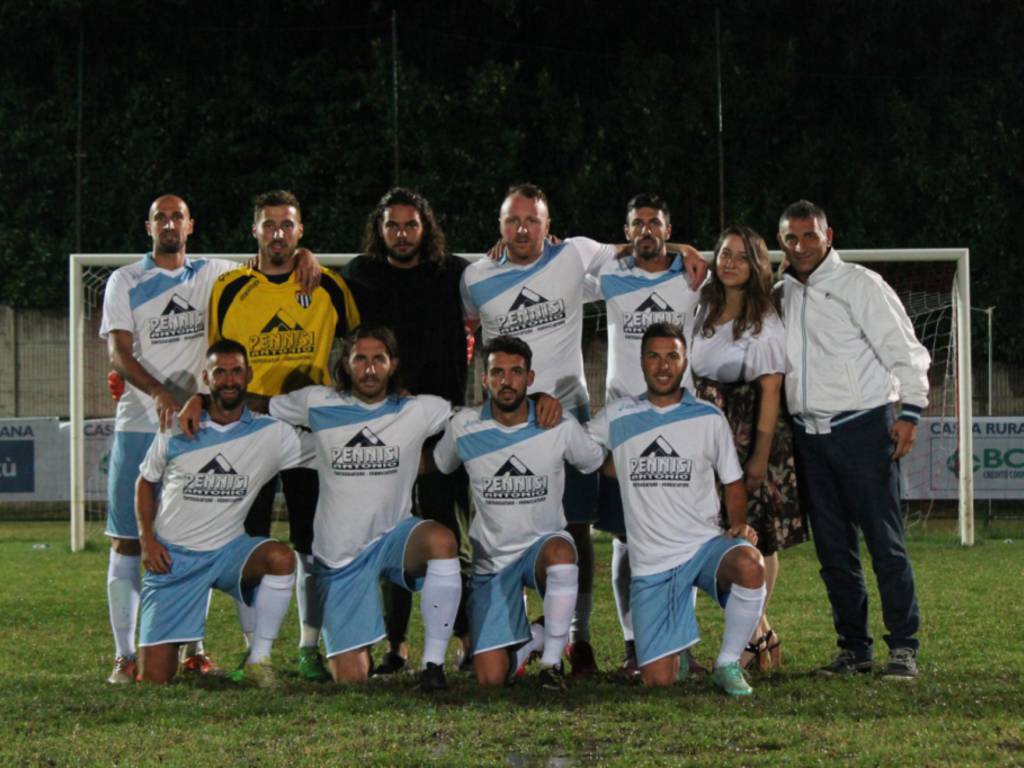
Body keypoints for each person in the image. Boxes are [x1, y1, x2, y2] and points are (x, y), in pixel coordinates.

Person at [461, 183, 706, 674]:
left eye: (533, 220)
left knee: (576, 529)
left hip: (566, 415)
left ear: (550, 226)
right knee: (495, 528)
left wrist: (683, 248)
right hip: (503, 423)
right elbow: (471, 336)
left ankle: (579, 637)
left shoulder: (575, 255)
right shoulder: (475, 277)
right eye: (513, 221)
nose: (523, 229)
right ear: (500, 227)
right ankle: (501, 636)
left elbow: (636, 245)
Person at [206, 190, 360, 681]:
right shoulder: (230, 288)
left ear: (300, 231)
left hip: (307, 437)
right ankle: (257, 653)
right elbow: (216, 361)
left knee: (311, 544)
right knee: (246, 543)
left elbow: (360, 346)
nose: (278, 233)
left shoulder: (328, 286)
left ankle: (307, 648)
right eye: (269, 225)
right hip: (247, 436)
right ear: (255, 231)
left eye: (286, 225)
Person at [256, 325, 461, 690]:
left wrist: (536, 401)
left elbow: (474, 418)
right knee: (351, 678)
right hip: (341, 558)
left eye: (378, 360)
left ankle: (433, 665)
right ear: (346, 365)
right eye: (360, 359)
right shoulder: (317, 403)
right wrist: (202, 401)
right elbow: (261, 405)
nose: (369, 369)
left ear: (392, 364)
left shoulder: (419, 409)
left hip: (395, 538)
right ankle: (357, 641)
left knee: (441, 541)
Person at [777, 200, 929, 679]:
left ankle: (903, 647)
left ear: (829, 235)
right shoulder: (780, 292)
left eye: (809, 236)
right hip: (808, 437)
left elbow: (904, 348)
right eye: (790, 238)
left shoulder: (859, 284)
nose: (800, 246)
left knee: (885, 544)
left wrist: (911, 410)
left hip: (863, 428)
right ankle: (854, 649)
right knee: (833, 551)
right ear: (780, 242)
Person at [99, 195, 240, 683]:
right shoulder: (125, 281)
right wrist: (159, 391)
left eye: (177, 215)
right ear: (148, 227)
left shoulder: (215, 273)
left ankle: (194, 650)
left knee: (189, 540)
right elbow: (119, 353)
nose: (169, 223)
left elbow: (268, 268)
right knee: (127, 542)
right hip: (139, 424)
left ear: (191, 225)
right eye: (160, 216)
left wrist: (304, 257)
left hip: (194, 430)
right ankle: (124, 655)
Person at [587, 323, 767, 695]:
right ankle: (678, 654)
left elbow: (733, 482)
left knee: (750, 564)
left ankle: (727, 663)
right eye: (654, 356)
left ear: (685, 363)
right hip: (652, 564)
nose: (663, 365)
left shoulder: (708, 418)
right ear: (641, 363)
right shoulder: (618, 416)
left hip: (703, 548)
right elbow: (576, 448)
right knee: (658, 680)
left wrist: (738, 525)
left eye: (672, 356)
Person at [343, 188, 474, 674]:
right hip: (384, 426)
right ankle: (396, 646)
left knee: (450, 536)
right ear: (380, 230)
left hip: (442, 425)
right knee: (388, 533)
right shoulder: (359, 275)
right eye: (392, 225)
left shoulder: (456, 273)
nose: (401, 234)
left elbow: (498, 283)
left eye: (410, 225)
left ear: (426, 228)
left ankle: (466, 638)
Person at [431, 335, 606, 690]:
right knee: (490, 678)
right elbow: (440, 464)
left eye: (515, 372)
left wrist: (566, 413)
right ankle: (536, 637)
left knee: (562, 549)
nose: (506, 380)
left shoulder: (556, 423)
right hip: (491, 563)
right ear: (485, 379)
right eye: (497, 372)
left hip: (541, 549)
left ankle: (552, 666)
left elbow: (591, 460)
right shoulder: (464, 426)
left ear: (530, 378)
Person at [135, 340, 302, 686]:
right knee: (154, 679)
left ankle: (260, 660)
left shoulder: (273, 434)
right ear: (206, 378)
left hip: (228, 552)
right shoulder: (177, 428)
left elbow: (320, 446)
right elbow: (144, 482)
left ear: (248, 375)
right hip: (174, 559)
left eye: (236, 371)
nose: (229, 380)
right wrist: (147, 539)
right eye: (220, 372)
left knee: (281, 558)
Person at [586, 193, 703, 676]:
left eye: (655, 223)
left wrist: (691, 250)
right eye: (637, 224)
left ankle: (680, 646)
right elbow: (561, 267)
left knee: (682, 539)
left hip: (681, 422)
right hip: (623, 425)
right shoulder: (609, 277)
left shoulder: (694, 276)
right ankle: (635, 647)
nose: (646, 231)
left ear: (668, 228)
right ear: (627, 230)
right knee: (625, 542)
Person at [689, 225, 806, 671]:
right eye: (724, 254)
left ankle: (750, 635)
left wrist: (758, 458)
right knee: (718, 534)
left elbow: (771, 392)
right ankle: (760, 635)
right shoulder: (702, 306)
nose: (730, 262)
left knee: (758, 535)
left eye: (741, 256)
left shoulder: (764, 319)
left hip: (751, 434)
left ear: (756, 265)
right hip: (708, 435)